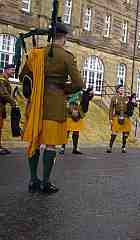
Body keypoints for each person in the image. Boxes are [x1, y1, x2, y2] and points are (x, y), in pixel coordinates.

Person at [19, 21, 84, 194]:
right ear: (64, 37)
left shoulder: (36, 53)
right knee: (50, 145)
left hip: (36, 104)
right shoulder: (67, 57)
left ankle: (33, 179)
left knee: (34, 140)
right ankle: (46, 182)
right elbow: (78, 84)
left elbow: (24, 77)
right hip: (55, 105)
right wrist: (63, 89)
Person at [60, 88, 94, 155]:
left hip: (78, 114)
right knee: (66, 132)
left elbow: (86, 100)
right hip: (69, 114)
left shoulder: (82, 93)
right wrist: (71, 110)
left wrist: (91, 95)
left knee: (76, 132)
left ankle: (75, 148)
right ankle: (62, 148)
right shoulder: (69, 91)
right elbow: (65, 101)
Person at [106, 85, 132, 153]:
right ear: (117, 90)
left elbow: (132, 106)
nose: (122, 90)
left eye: (123, 89)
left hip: (126, 116)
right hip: (117, 116)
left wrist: (132, 101)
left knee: (125, 132)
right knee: (114, 132)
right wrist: (110, 118)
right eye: (120, 89)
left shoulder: (127, 98)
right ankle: (110, 147)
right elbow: (111, 109)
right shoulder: (114, 98)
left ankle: (123, 147)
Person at [0, 64, 17, 155]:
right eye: (12, 70)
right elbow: (3, 94)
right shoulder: (1, 80)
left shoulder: (5, 80)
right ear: (6, 70)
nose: (14, 72)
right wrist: (13, 102)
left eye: (14, 70)